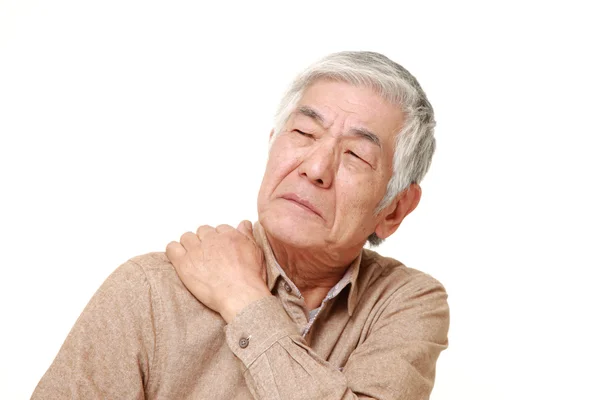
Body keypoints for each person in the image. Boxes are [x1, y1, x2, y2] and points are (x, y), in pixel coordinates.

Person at [32, 51, 449, 400]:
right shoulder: (149, 290)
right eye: (303, 132)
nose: (316, 168)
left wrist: (245, 300)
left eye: (356, 155)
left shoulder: (406, 303)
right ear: (272, 145)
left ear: (394, 209)